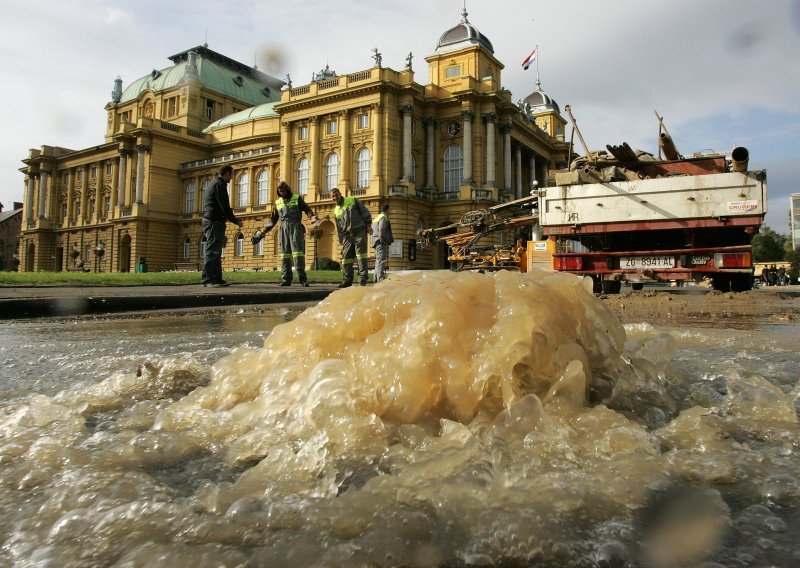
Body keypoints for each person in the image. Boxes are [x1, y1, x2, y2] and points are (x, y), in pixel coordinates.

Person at [251, 181, 317, 286]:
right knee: (284, 255)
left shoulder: (296, 198)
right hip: (283, 229)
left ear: (287, 189)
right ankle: (286, 279)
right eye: (280, 191)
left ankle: (303, 279)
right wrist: (261, 233)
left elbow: (306, 208)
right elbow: (272, 221)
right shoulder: (278, 203)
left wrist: (312, 216)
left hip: (296, 227)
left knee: (298, 253)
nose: (282, 193)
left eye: (283, 190)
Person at [201, 165, 242, 287]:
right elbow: (225, 206)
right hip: (214, 222)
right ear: (226, 174)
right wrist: (236, 221)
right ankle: (208, 280)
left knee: (216, 251)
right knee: (212, 251)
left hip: (213, 221)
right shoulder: (220, 185)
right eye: (231, 174)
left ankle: (217, 279)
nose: (232, 177)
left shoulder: (215, 184)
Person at [330, 187, 372, 287]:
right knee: (346, 258)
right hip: (347, 236)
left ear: (340, 194)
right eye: (332, 196)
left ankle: (362, 279)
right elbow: (339, 228)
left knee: (361, 256)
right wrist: (342, 243)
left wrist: (368, 225)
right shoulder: (336, 211)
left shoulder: (352, 200)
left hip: (359, 231)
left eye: (336, 195)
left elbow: (364, 211)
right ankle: (347, 280)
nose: (335, 197)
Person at [371, 203, 394, 282]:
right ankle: (380, 279)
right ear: (387, 210)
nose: (389, 212)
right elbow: (381, 229)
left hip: (375, 240)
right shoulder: (383, 217)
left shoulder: (377, 217)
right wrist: (382, 240)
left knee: (378, 260)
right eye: (389, 210)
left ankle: (375, 278)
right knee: (381, 259)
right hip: (380, 241)